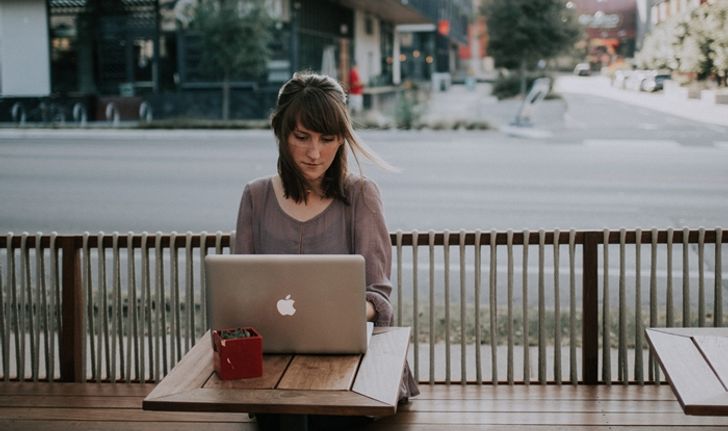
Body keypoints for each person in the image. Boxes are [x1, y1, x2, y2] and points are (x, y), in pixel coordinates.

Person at [234, 71, 418, 429]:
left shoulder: (361, 195)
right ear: (281, 133)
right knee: (288, 407)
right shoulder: (256, 197)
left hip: (351, 365)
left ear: (342, 139)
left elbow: (379, 299)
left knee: (314, 414)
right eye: (302, 137)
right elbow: (239, 290)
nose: (315, 153)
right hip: (275, 363)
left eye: (328, 138)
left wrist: (331, 313)